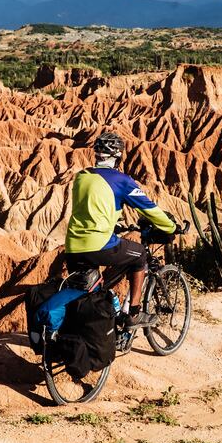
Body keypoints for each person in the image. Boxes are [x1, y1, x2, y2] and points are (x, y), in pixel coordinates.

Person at [64, 132, 178, 328]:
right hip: (98, 245)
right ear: (118, 156)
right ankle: (134, 314)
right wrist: (171, 227)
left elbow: (90, 207)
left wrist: (113, 222)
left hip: (72, 246)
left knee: (94, 291)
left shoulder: (81, 177)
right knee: (140, 255)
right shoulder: (121, 180)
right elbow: (149, 209)